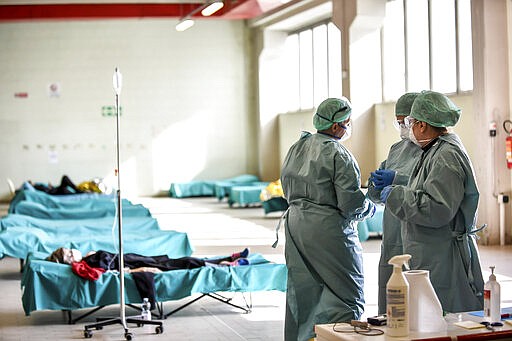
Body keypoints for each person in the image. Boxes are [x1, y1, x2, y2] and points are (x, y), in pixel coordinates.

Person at [379, 90, 484, 313]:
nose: (408, 128)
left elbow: (437, 209)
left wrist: (396, 195)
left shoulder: (446, 156)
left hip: (443, 255)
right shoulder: (434, 150)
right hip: (432, 250)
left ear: (423, 125)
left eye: (410, 122)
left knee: (444, 318)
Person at [280, 97, 376, 341]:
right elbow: (351, 204)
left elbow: (286, 186)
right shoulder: (338, 154)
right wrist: (372, 206)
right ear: (335, 127)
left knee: (305, 291)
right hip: (327, 229)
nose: (348, 127)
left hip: (296, 225)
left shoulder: (298, 147)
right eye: (346, 122)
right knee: (346, 293)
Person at [367, 92, 422, 315]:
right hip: (392, 229)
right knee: (391, 289)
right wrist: (375, 185)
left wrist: (397, 179)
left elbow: (428, 186)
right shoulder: (396, 150)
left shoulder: (432, 150)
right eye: (398, 122)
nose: (402, 126)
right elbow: (377, 195)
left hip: (418, 227)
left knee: (416, 289)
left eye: (406, 121)